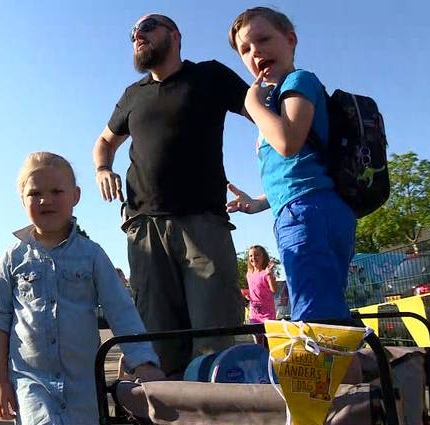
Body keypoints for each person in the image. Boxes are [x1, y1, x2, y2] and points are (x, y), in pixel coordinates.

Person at [93, 13, 248, 376]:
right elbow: (104, 140)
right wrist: (103, 168)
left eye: (147, 28)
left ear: (175, 35)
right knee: (157, 335)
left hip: (203, 224)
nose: (138, 36)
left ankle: (215, 418)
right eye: (133, 32)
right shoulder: (133, 95)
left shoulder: (210, 75)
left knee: (215, 332)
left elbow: (260, 112)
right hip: (145, 227)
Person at [0, 152, 163, 425]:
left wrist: (144, 363)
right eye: (35, 193)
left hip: (83, 385)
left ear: (75, 196)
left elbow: (121, 310)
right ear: (22, 199)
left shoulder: (92, 255)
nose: (45, 200)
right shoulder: (12, 257)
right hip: (31, 383)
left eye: (56, 191)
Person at [225, 7, 356, 322]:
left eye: (264, 39)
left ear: (291, 40)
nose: (255, 51)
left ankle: (341, 370)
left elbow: (287, 142)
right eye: (245, 49)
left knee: (317, 321)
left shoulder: (298, 81)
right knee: (327, 312)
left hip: (310, 213)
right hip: (302, 207)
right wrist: (257, 204)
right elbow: (295, 174)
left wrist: (252, 104)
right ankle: (360, 367)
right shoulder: (275, 102)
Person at [245, 245, 278, 323]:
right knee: (256, 334)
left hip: (267, 314)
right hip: (254, 314)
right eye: (251, 256)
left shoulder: (266, 274)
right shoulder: (249, 274)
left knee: (267, 334)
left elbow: (274, 290)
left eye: (256, 255)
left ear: (263, 257)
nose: (253, 258)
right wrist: (249, 294)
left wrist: (269, 275)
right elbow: (254, 289)